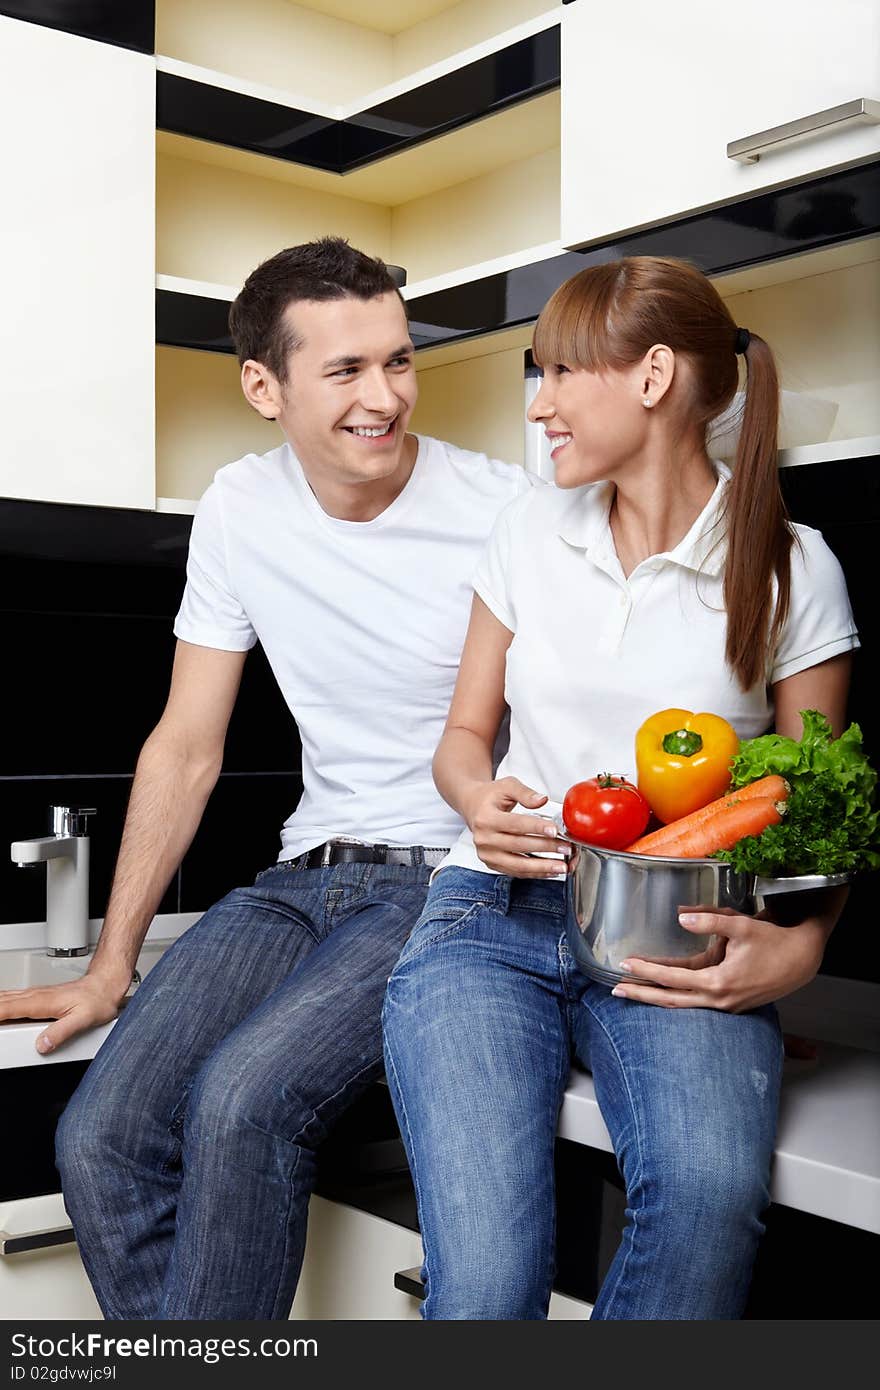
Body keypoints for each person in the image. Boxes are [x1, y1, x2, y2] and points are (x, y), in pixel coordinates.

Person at [0, 237, 533, 1320]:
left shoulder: (507, 511)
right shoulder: (238, 509)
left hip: (449, 885)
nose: (383, 398)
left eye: (397, 361)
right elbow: (187, 745)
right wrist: (111, 963)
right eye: (344, 371)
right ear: (263, 385)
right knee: (99, 1138)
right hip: (301, 878)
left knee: (242, 1104)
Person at [381, 255, 858, 1320]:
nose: (539, 405)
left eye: (557, 373)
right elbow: (464, 736)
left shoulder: (790, 564)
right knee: (489, 1282)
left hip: (676, 935)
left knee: (705, 1200)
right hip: (488, 915)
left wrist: (805, 941)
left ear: (650, 377)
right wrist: (475, 800)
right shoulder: (523, 532)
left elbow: (819, 800)